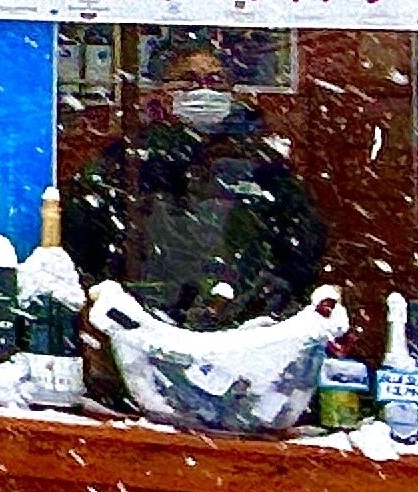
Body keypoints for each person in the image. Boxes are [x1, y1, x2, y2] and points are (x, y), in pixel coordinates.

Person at [65, 34, 328, 328]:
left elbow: (301, 246)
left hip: (246, 327)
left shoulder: (262, 164)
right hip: (146, 325)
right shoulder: (128, 161)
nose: (204, 90)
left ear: (232, 91)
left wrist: (269, 301)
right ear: (163, 90)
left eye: (215, 81)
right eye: (188, 81)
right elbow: (83, 233)